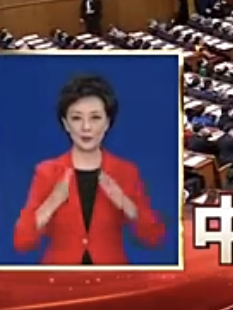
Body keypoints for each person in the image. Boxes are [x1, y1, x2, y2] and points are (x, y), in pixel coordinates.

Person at [11, 74, 164, 266]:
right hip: (60, 275)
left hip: (111, 273)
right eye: (76, 118)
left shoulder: (126, 171)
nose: (86, 127)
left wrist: (124, 203)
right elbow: (21, 241)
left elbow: (153, 236)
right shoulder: (47, 172)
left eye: (95, 118)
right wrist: (52, 202)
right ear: (65, 124)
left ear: (107, 122)